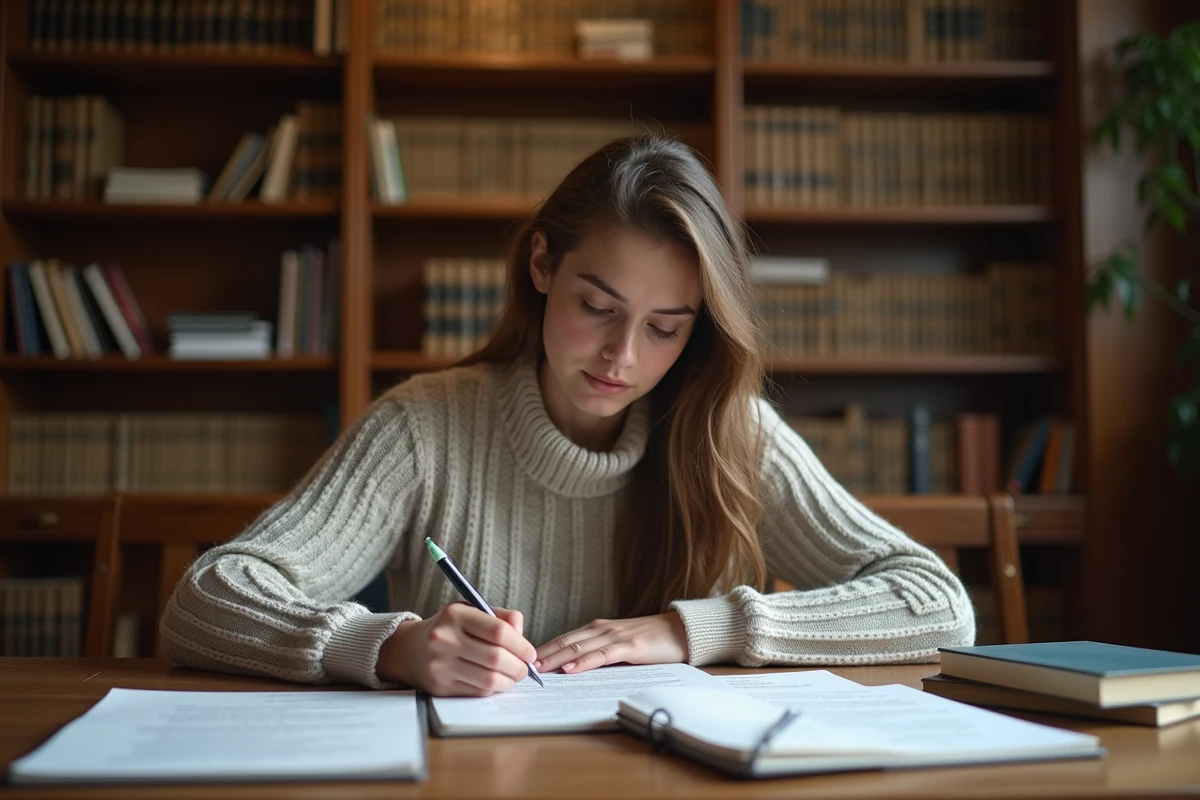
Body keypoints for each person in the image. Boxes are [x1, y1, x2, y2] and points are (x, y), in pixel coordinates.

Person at [161, 135, 974, 696]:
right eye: (598, 306)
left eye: (664, 328)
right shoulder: (425, 427)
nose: (623, 355)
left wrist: (696, 630)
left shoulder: (731, 432)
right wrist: (391, 646)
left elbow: (938, 604)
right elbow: (206, 598)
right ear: (544, 265)